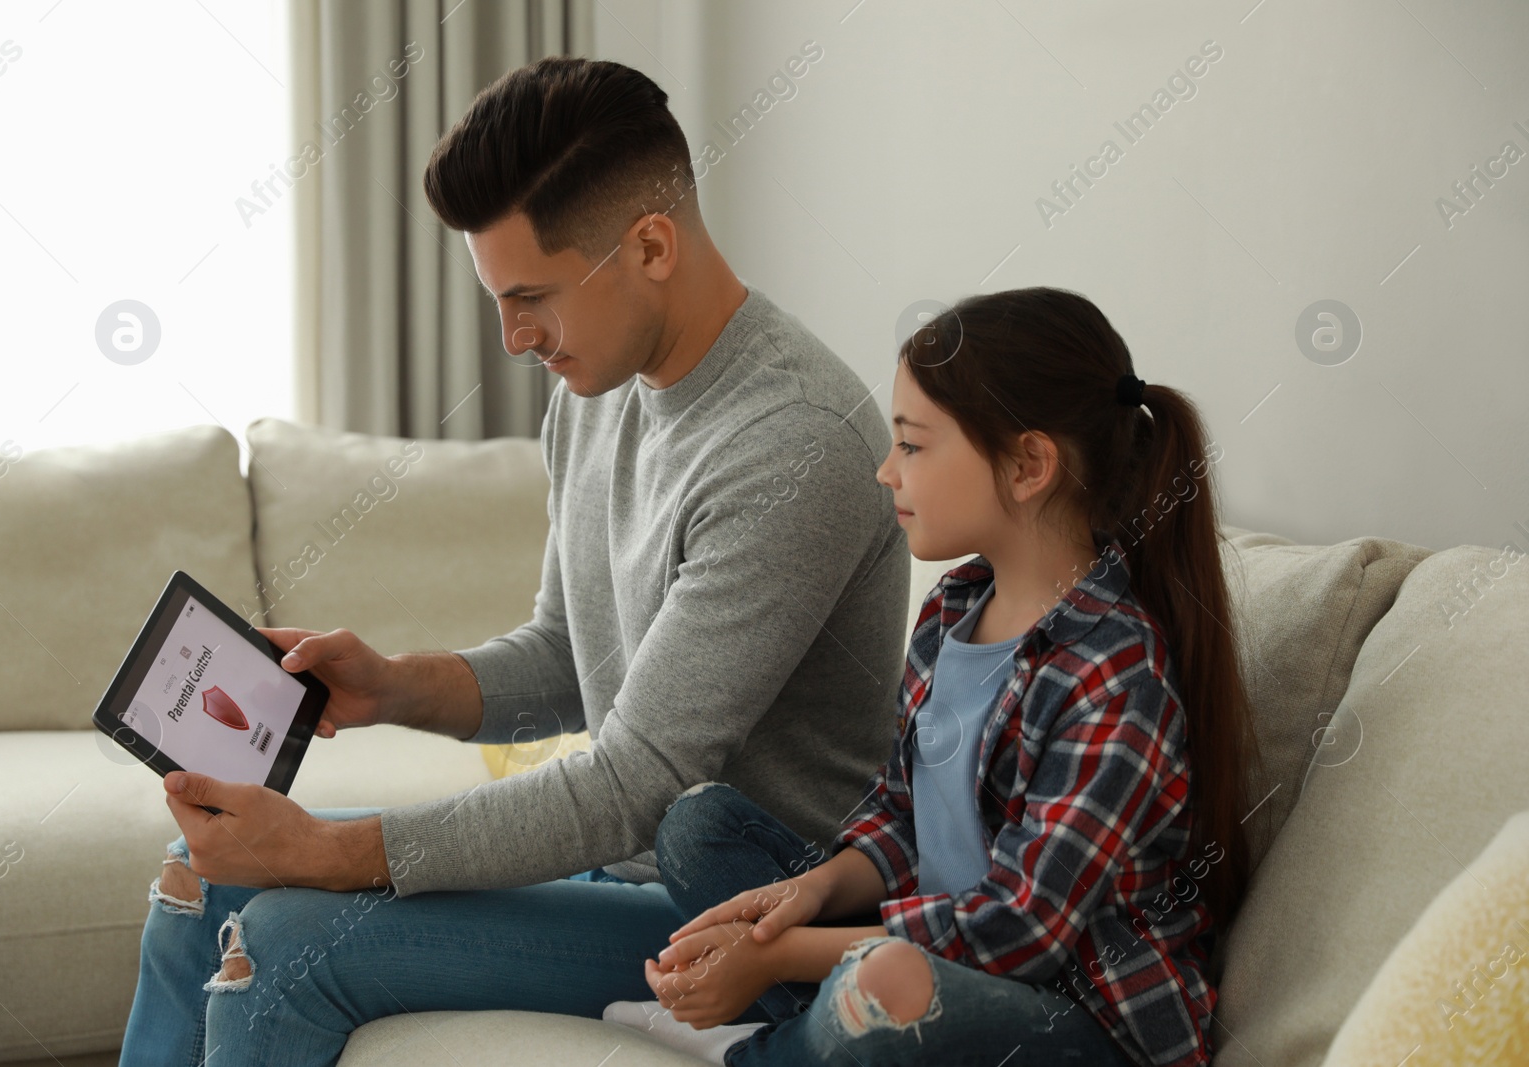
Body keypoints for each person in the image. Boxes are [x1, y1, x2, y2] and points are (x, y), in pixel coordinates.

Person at [118, 56, 910, 1066]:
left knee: (281, 945)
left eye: (530, 295)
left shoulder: (789, 443)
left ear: (651, 245)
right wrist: (395, 684)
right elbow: (566, 655)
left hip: (728, 912)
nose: (511, 336)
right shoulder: (600, 390)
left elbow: (635, 782)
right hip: (614, 865)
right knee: (201, 878)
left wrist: (326, 849)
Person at [604, 287, 1262, 1066]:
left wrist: (780, 957)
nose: (886, 471)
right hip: (927, 956)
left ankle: (764, 1046)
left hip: (1072, 1018)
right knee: (698, 828)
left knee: (894, 984)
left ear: (1027, 465)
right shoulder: (953, 608)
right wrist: (809, 895)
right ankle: (822, 1025)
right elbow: (901, 815)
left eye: (912, 445)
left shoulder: (1115, 676)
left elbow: (1023, 928)